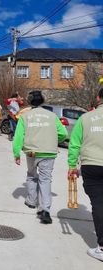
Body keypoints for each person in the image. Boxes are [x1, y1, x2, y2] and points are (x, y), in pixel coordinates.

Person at [13, 90, 67, 224]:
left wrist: (16, 152)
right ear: (42, 101)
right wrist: (53, 140)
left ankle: (31, 201)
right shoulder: (52, 116)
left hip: (32, 152)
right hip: (48, 152)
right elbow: (63, 134)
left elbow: (18, 136)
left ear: (30, 101)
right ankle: (45, 210)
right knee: (46, 179)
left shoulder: (25, 116)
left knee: (31, 175)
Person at [67, 87, 103, 261]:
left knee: (98, 203)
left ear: (98, 98)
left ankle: (102, 247)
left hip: (92, 164)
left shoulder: (85, 118)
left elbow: (74, 144)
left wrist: (72, 164)